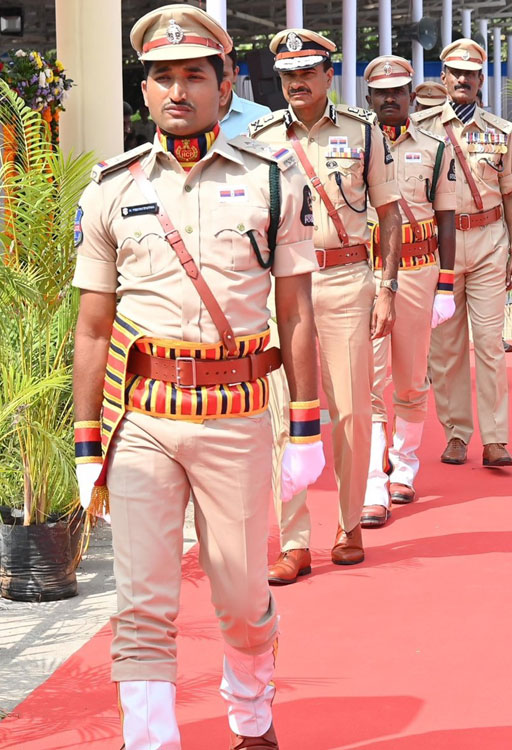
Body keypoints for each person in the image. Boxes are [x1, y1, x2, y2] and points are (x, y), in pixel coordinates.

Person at [72, 6, 321, 747]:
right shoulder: (110, 188)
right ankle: (150, 739)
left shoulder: (274, 185)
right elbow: (91, 328)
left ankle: (251, 714)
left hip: (236, 415)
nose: (175, 90)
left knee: (242, 596)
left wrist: (304, 425)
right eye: (160, 77)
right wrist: (89, 444)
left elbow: (297, 315)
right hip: (142, 417)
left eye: (192, 75)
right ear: (144, 90)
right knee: (142, 599)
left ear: (227, 84)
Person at [251, 28, 402, 582]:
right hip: (280, 290)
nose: (296, 83)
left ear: (327, 76)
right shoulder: (261, 137)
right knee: (284, 413)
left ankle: (348, 523)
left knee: (352, 410)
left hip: (345, 281)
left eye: (306, 73)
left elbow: (391, 215)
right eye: (287, 75)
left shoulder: (364, 134)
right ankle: (293, 541)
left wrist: (387, 288)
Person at [417, 38, 512, 468]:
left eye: (471, 73)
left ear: (481, 79)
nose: (463, 80)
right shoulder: (421, 128)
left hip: (488, 244)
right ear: (443, 77)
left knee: (489, 345)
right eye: (455, 72)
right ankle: (456, 433)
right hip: (440, 250)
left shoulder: (501, 132)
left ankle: (495, 438)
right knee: (444, 348)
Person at [359, 55, 458, 527]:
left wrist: (446, 283)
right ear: (369, 99)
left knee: (412, 376)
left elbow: (447, 216)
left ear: (411, 96)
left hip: (420, 269)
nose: (391, 99)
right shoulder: (351, 145)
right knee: (372, 379)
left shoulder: (435, 146)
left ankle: (405, 464)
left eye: (399, 91)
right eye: (382, 93)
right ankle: (374, 484)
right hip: (369, 272)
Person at [219, 48, 271, 138]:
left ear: (235, 74)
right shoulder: (188, 119)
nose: (215, 83)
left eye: (222, 76)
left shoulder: (262, 116)